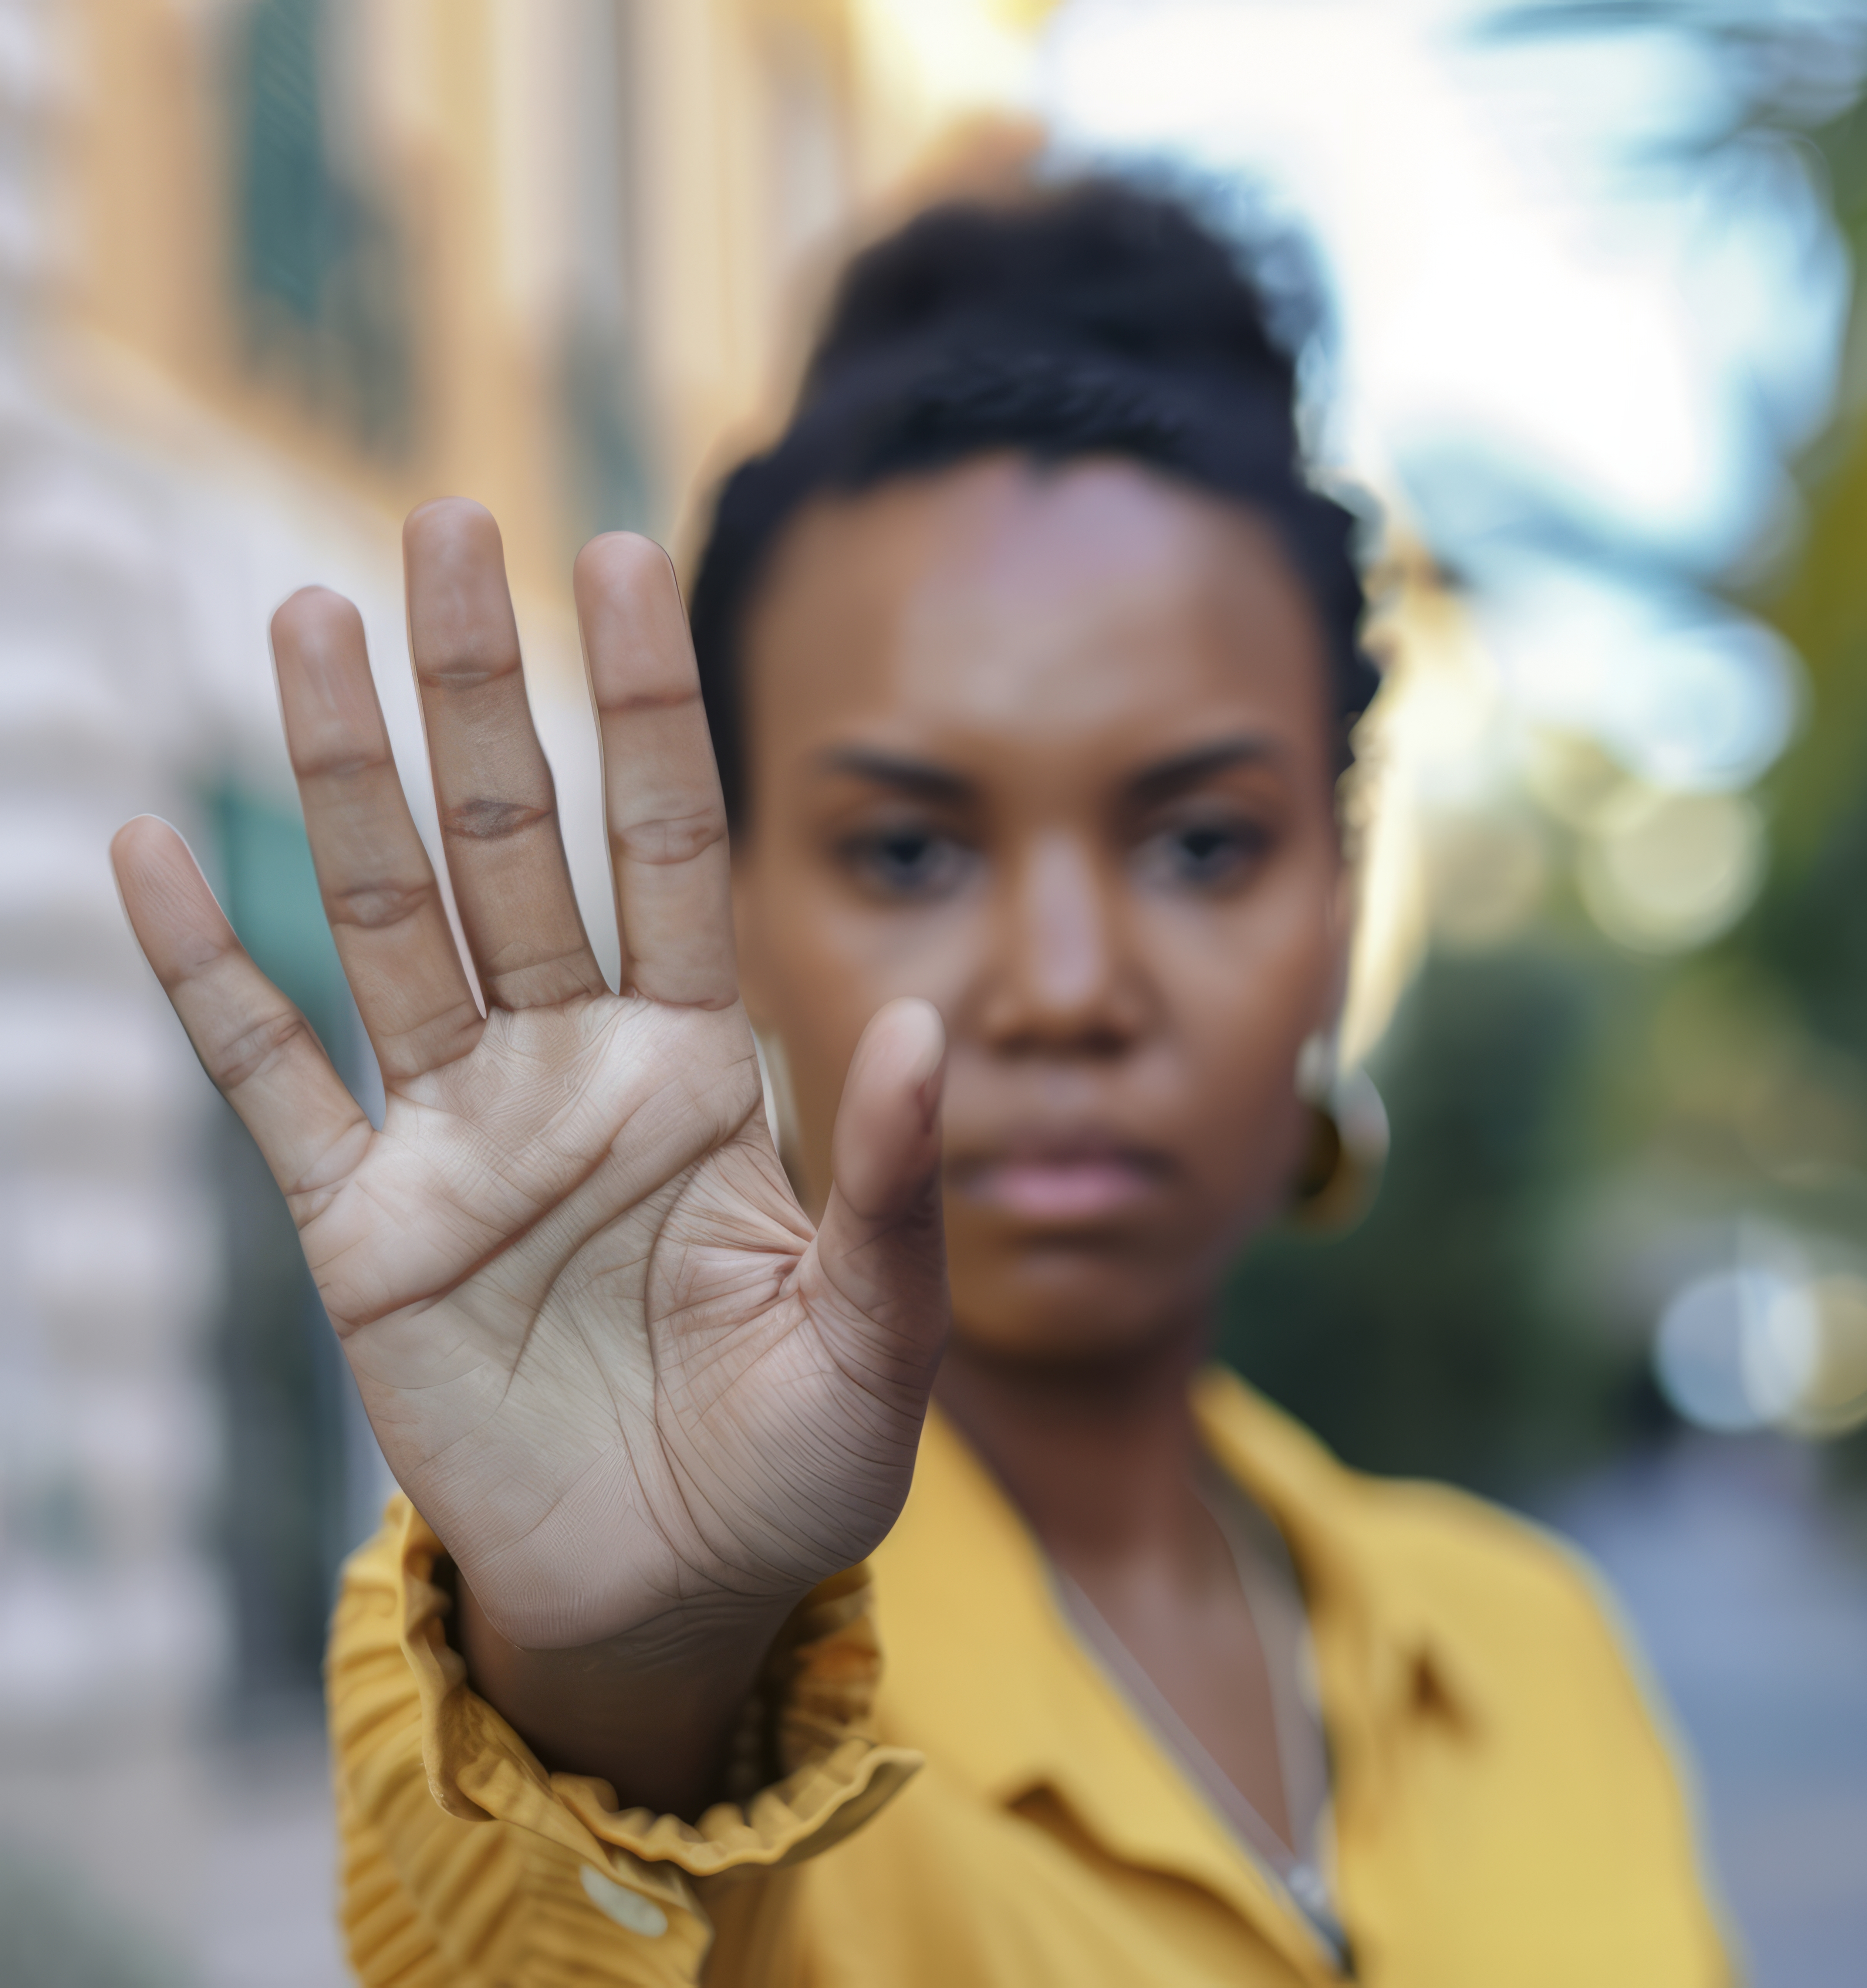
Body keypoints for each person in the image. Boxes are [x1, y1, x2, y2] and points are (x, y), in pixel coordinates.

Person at [111, 182, 1727, 1986]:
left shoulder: (1540, 1651)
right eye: (906, 853)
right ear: (731, 910)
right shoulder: (629, 1643)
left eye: (1201, 843)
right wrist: (620, 1684)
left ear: (1339, 912)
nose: (1062, 989)